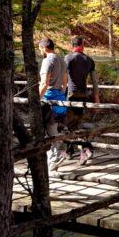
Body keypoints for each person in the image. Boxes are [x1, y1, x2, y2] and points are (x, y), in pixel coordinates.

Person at [65, 35, 99, 165]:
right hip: (83, 95)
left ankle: (85, 149)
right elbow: (95, 82)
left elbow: (63, 78)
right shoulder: (89, 60)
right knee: (73, 124)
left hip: (70, 95)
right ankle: (71, 151)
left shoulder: (68, 58)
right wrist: (96, 98)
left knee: (70, 125)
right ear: (82, 45)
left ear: (71, 45)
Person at [38, 38, 69, 169]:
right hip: (60, 96)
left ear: (44, 47)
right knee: (54, 127)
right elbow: (65, 81)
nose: (40, 51)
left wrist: (37, 99)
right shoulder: (61, 60)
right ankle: (57, 154)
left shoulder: (47, 60)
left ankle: (54, 158)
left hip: (48, 97)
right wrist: (61, 92)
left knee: (49, 129)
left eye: (39, 48)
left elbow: (44, 83)